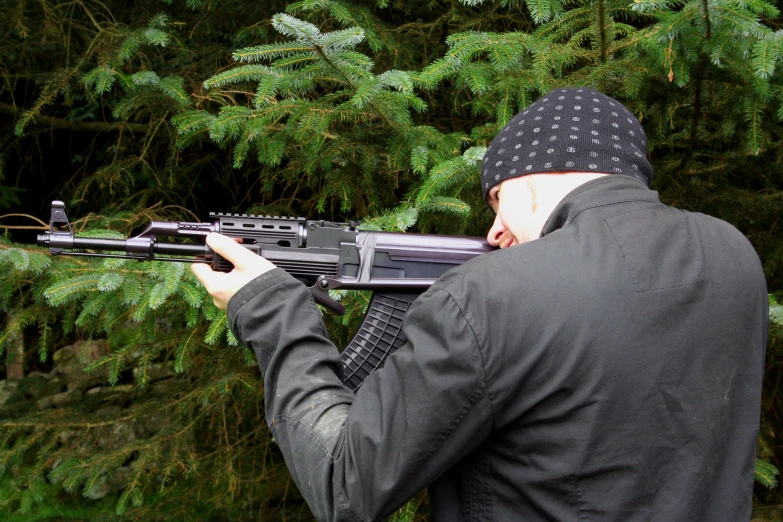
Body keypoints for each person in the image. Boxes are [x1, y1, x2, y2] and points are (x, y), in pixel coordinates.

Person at [191, 87, 768, 521]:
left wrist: (269, 309)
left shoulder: (492, 295)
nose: (494, 232)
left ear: (533, 172)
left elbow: (347, 485)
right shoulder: (732, 254)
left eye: (497, 198)